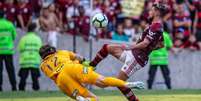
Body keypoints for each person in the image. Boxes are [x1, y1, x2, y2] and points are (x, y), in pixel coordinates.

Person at [90, 3, 167, 101]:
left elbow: (145, 43)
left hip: (137, 58)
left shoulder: (156, 26)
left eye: (152, 10)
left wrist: (130, 47)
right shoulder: (156, 26)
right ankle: (91, 66)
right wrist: (149, 48)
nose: (149, 12)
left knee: (119, 82)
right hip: (134, 53)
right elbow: (161, 44)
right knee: (107, 48)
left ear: (157, 12)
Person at [39, 45, 144, 101]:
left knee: (93, 99)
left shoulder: (42, 66)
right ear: (53, 50)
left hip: (61, 81)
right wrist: (84, 62)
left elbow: (57, 71)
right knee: (102, 81)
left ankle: (82, 99)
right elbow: (78, 57)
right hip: (72, 68)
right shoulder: (61, 52)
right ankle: (126, 84)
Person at [18, 23, 42, 91]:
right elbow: (40, 50)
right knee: (35, 78)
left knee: (23, 78)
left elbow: (20, 49)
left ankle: (21, 90)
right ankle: (36, 90)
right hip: (34, 61)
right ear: (34, 29)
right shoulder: (38, 39)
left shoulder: (23, 38)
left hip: (25, 61)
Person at [0, 10, 17, 91]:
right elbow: (14, 36)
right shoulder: (9, 24)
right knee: (10, 70)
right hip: (8, 51)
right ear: (4, 16)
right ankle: (14, 87)